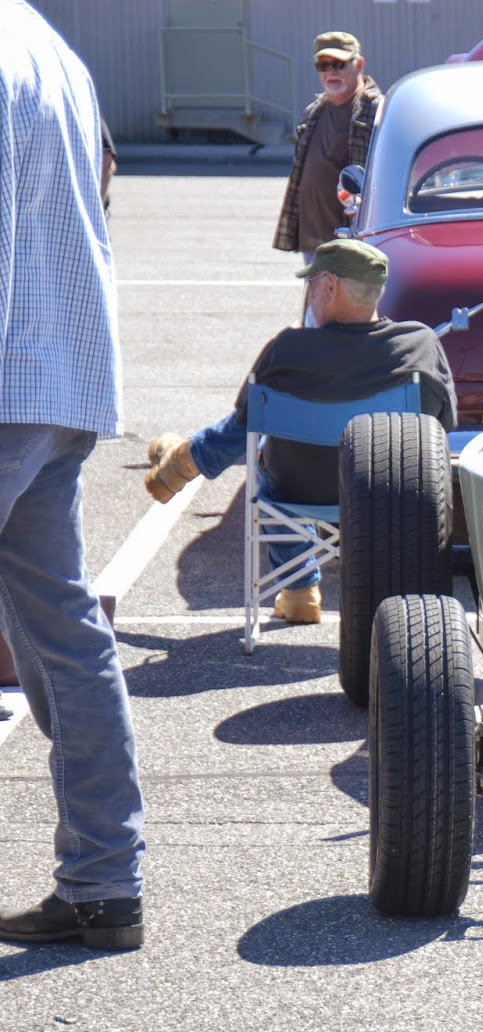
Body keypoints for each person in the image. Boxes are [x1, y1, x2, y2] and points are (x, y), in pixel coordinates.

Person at [0, 0, 146, 952]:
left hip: (12, 373)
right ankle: (104, 880)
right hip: (62, 377)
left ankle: (104, 878)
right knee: (64, 631)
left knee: (61, 631)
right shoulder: (46, 43)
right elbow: (100, 184)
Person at [142, 240, 457, 624]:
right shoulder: (420, 345)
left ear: (329, 286)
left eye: (310, 285)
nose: (308, 295)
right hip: (387, 495)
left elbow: (245, 417)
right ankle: (185, 461)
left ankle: (299, 587)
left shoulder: (289, 349)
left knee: (264, 458)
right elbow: (442, 425)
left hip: (297, 492)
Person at [272, 31, 382, 259]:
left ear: (359, 64)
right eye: (323, 65)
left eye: (339, 64)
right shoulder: (312, 112)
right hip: (313, 239)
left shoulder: (377, 110)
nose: (331, 72)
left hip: (354, 240)